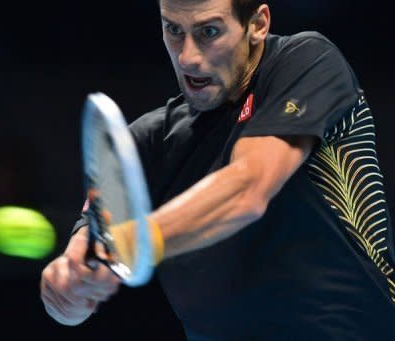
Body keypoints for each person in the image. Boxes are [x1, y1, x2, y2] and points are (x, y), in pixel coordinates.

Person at [40, 0, 395, 338]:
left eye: (208, 32)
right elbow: (91, 237)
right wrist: (68, 288)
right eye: (173, 30)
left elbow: (249, 188)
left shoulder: (307, 62)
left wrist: (135, 242)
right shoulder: (150, 141)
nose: (187, 57)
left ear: (257, 24)